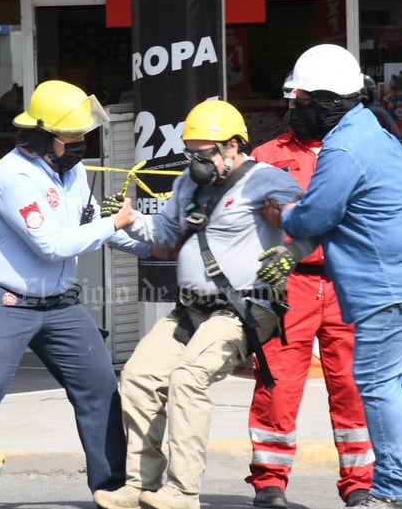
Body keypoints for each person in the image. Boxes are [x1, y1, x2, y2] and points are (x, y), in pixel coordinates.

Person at [258, 44, 402, 509]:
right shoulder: (376, 133)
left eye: (303, 102)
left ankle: (393, 491)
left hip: (387, 287)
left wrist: (283, 213)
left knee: (374, 385)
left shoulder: (343, 147)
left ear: (331, 101)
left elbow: (315, 217)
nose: (295, 111)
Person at [0, 79, 150, 499]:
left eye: (83, 135)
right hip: (0, 301)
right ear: (43, 137)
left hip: (59, 305)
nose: (81, 143)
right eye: (73, 137)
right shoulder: (14, 177)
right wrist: (112, 224)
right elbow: (52, 245)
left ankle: (113, 489)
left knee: (99, 387)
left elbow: (90, 222)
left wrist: (154, 244)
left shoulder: (70, 170)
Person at [92, 99, 315, 509]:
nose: (195, 159)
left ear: (231, 145)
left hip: (243, 308)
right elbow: (164, 232)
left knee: (188, 379)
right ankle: (140, 485)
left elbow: (311, 224)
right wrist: (127, 219)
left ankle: (183, 490)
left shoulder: (268, 180)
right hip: (191, 310)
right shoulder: (188, 183)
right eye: (189, 150)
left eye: (203, 151)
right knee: (139, 377)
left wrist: (290, 251)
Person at [245, 76, 373, 508]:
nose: (294, 109)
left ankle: (360, 485)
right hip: (288, 283)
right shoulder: (266, 157)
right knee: (276, 385)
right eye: (291, 102)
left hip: (347, 282)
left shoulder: (359, 149)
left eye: (301, 101)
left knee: (353, 387)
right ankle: (269, 484)